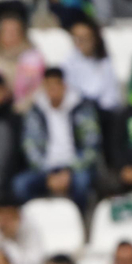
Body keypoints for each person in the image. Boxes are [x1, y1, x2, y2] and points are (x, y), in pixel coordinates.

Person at [15, 67, 100, 209]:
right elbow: (29, 146)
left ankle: (79, 221)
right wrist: (47, 173)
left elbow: (92, 145)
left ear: (64, 85)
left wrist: (70, 170)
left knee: (82, 183)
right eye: (49, 85)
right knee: (20, 185)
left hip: (75, 166)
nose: (53, 89)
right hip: (45, 167)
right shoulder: (36, 111)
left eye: (56, 84)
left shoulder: (82, 107)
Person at [0, 11, 45, 113]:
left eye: (14, 31)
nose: (10, 34)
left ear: (22, 33)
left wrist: (22, 107)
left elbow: (41, 88)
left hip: (28, 111)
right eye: (6, 31)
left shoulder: (34, 58)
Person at [62, 18, 121, 113]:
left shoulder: (105, 61)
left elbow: (111, 94)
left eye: (85, 39)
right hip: (79, 110)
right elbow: (69, 92)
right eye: (77, 39)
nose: (81, 43)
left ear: (94, 38)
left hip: (103, 111)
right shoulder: (68, 62)